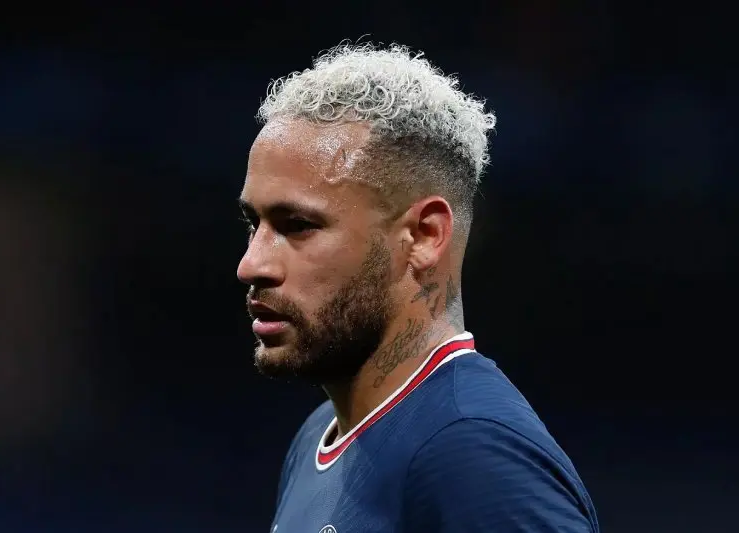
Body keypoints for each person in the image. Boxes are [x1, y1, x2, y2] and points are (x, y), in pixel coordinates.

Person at [237, 42, 600, 533]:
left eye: (298, 225)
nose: (251, 265)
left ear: (425, 236)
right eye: (253, 223)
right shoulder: (318, 436)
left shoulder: (472, 453)